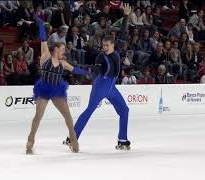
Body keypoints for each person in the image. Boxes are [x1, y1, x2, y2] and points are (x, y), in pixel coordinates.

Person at [26, 16, 89, 154]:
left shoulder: (63, 63)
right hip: (44, 89)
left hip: (57, 90)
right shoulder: (46, 57)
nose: (64, 51)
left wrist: (88, 72)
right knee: (38, 116)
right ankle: (30, 141)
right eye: (62, 50)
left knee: (68, 117)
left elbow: (76, 69)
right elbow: (43, 38)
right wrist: (41, 24)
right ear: (56, 50)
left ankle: (74, 142)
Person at [63, 34, 131, 150]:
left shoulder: (116, 51)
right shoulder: (101, 57)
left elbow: (123, 32)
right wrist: (89, 69)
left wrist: (125, 16)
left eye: (107, 45)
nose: (104, 47)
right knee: (89, 110)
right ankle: (72, 138)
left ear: (113, 45)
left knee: (124, 110)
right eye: (103, 45)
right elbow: (97, 68)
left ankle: (122, 140)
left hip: (111, 87)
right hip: (101, 85)